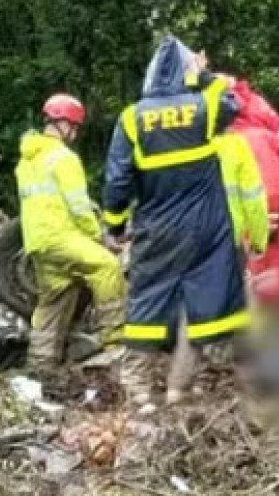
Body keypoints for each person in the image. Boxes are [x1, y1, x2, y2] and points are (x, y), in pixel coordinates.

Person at [103, 38, 250, 408]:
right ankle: (178, 387)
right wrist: (203, 75)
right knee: (200, 302)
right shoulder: (203, 106)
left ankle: (137, 388)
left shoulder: (132, 118)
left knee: (147, 299)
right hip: (207, 228)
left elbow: (117, 179)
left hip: (158, 226)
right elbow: (233, 103)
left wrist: (116, 224)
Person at [16, 93, 124, 372]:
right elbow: (78, 207)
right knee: (107, 267)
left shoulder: (27, 160)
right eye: (74, 127)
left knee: (55, 298)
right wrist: (99, 237)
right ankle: (117, 343)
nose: (75, 133)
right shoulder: (64, 158)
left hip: (37, 242)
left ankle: (39, 366)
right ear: (63, 124)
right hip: (61, 236)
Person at [222, 76, 279, 307]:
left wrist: (261, 226)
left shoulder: (245, 138)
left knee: (276, 289)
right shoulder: (254, 121)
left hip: (276, 225)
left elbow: (271, 189)